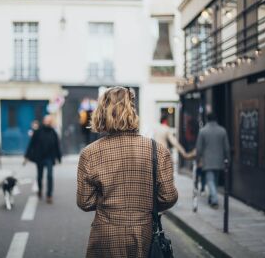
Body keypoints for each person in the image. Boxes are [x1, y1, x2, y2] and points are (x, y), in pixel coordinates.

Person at [77, 86, 178, 258]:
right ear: (133, 111)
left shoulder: (90, 153)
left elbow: (85, 202)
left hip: (105, 236)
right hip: (143, 234)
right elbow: (168, 197)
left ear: (101, 112)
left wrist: (108, 201)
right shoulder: (157, 150)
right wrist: (145, 205)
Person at [196, 113, 230, 209]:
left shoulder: (203, 131)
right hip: (219, 161)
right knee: (214, 180)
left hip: (207, 160)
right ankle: (211, 199)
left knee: (210, 180)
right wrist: (228, 159)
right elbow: (226, 148)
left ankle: (214, 200)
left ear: (207, 119)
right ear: (216, 119)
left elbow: (198, 149)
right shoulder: (222, 131)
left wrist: (198, 160)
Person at [25, 115, 62, 204]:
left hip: (49, 157)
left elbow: (57, 146)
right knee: (39, 176)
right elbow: (31, 144)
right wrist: (27, 155)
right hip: (39, 157)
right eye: (47, 121)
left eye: (50, 121)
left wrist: (59, 157)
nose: (48, 122)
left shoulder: (53, 132)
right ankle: (40, 190)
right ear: (44, 121)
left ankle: (49, 195)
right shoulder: (38, 131)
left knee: (49, 176)